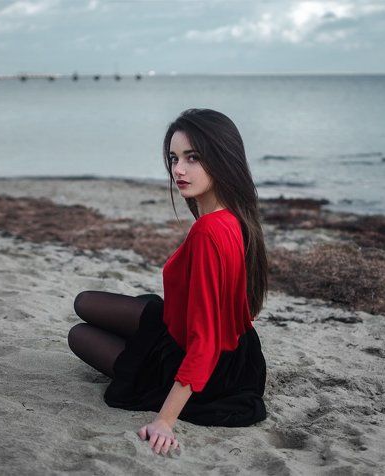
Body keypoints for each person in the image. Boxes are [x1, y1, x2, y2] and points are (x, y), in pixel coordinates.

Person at [67, 108, 268, 456]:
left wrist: (164, 420)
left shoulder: (209, 232)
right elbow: (233, 305)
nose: (178, 169)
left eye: (193, 158)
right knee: (84, 302)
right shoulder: (235, 216)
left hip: (207, 366)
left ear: (223, 157)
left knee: (79, 335)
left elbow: (205, 341)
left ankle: (150, 370)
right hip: (234, 352)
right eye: (174, 158)